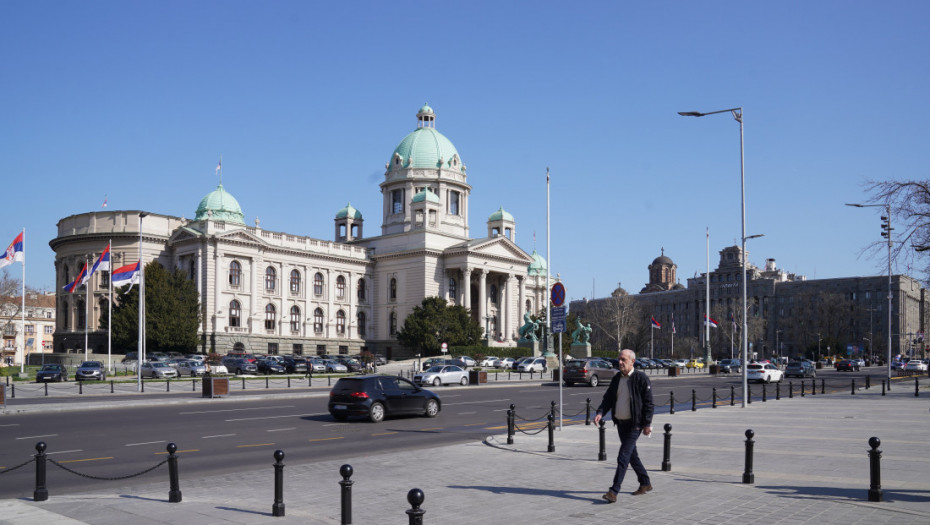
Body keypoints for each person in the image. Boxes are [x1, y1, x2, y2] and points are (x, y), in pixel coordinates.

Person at [593, 348, 654, 503]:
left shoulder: (641, 378)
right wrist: (600, 412)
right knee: (632, 456)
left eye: (623, 360)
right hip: (621, 423)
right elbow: (608, 398)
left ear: (632, 361)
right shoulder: (616, 379)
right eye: (619, 359)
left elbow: (649, 403)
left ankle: (613, 491)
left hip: (635, 425)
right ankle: (645, 482)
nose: (619, 362)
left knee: (623, 456)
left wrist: (647, 424)